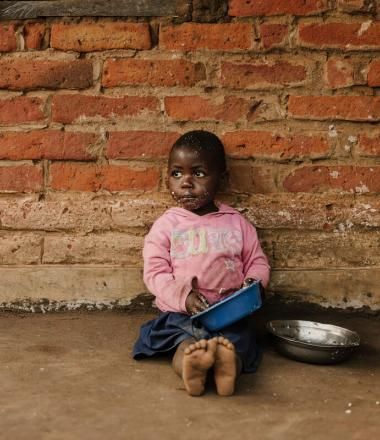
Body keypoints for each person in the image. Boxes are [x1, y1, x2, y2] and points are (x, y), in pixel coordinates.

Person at [132, 130, 270, 397]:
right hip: (180, 316)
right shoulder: (167, 225)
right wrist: (183, 298)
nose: (186, 183)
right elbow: (155, 273)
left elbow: (257, 261)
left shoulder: (237, 223)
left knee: (236, 344)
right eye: (176, 174)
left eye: (198, 173)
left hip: (229, 315)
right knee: (181, 341)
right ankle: (190, 363)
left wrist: (255, 284)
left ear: (222, 177)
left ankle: (228, 365)